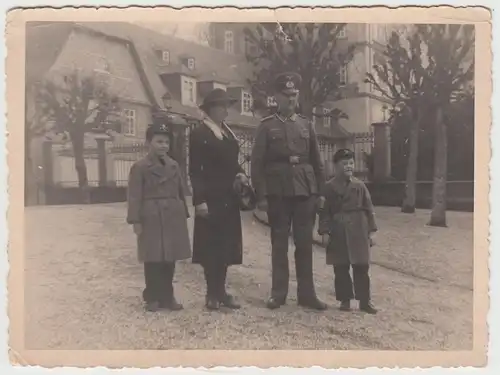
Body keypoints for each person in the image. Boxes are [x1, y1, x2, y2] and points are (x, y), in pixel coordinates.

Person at [250, 72, 327, 310]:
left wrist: (321, 193)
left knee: (305, 244)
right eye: (287, 95)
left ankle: (307, 294)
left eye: (294, 94)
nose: (292, 99)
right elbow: (257, 163)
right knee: (279, 244)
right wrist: (261, 196)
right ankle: (278, 293)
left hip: (305, 192)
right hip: (278, 192)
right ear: (277, 98)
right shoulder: (266, 126)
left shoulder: (307, 125)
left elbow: (317, 161)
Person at [189, 88, 248, 311]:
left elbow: (232, 162)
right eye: (221, 106)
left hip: (228, 198)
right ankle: (211, 294)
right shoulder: (199, 134)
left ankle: (221, 292)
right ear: (210, 109)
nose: (225, 110)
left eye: (226, 106)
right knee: (210, 246)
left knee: (225, 246)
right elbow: (195, 170)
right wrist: (199, 200)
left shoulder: (227, 133)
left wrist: (240, 172)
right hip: (211, 198)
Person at [126, 120, 192, 312]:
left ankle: (167, 296)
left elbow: (180, 190)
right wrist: (135, 220)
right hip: (151, 215)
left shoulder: (173, 165)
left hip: (172, 215)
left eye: (166, 142)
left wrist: (183, 212)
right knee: (153, 257)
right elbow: (134, 195)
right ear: (149, 143)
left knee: (169, 258)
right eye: (159, 141)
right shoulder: (140, 167)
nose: (163, 146)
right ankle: (152, 296)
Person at [317, 149, 378, 314]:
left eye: (351, 163)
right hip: (339, 230)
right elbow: (324, 212)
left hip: (359, 229)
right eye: (344, 164)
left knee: (361, 267)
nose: (349, 166)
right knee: (341, 267)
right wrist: (324, 232)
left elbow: (369, 208)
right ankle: (345, 300)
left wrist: (371, 232)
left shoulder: (360, 186)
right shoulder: (328, 188)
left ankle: (365, 301)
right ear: (335, 166)